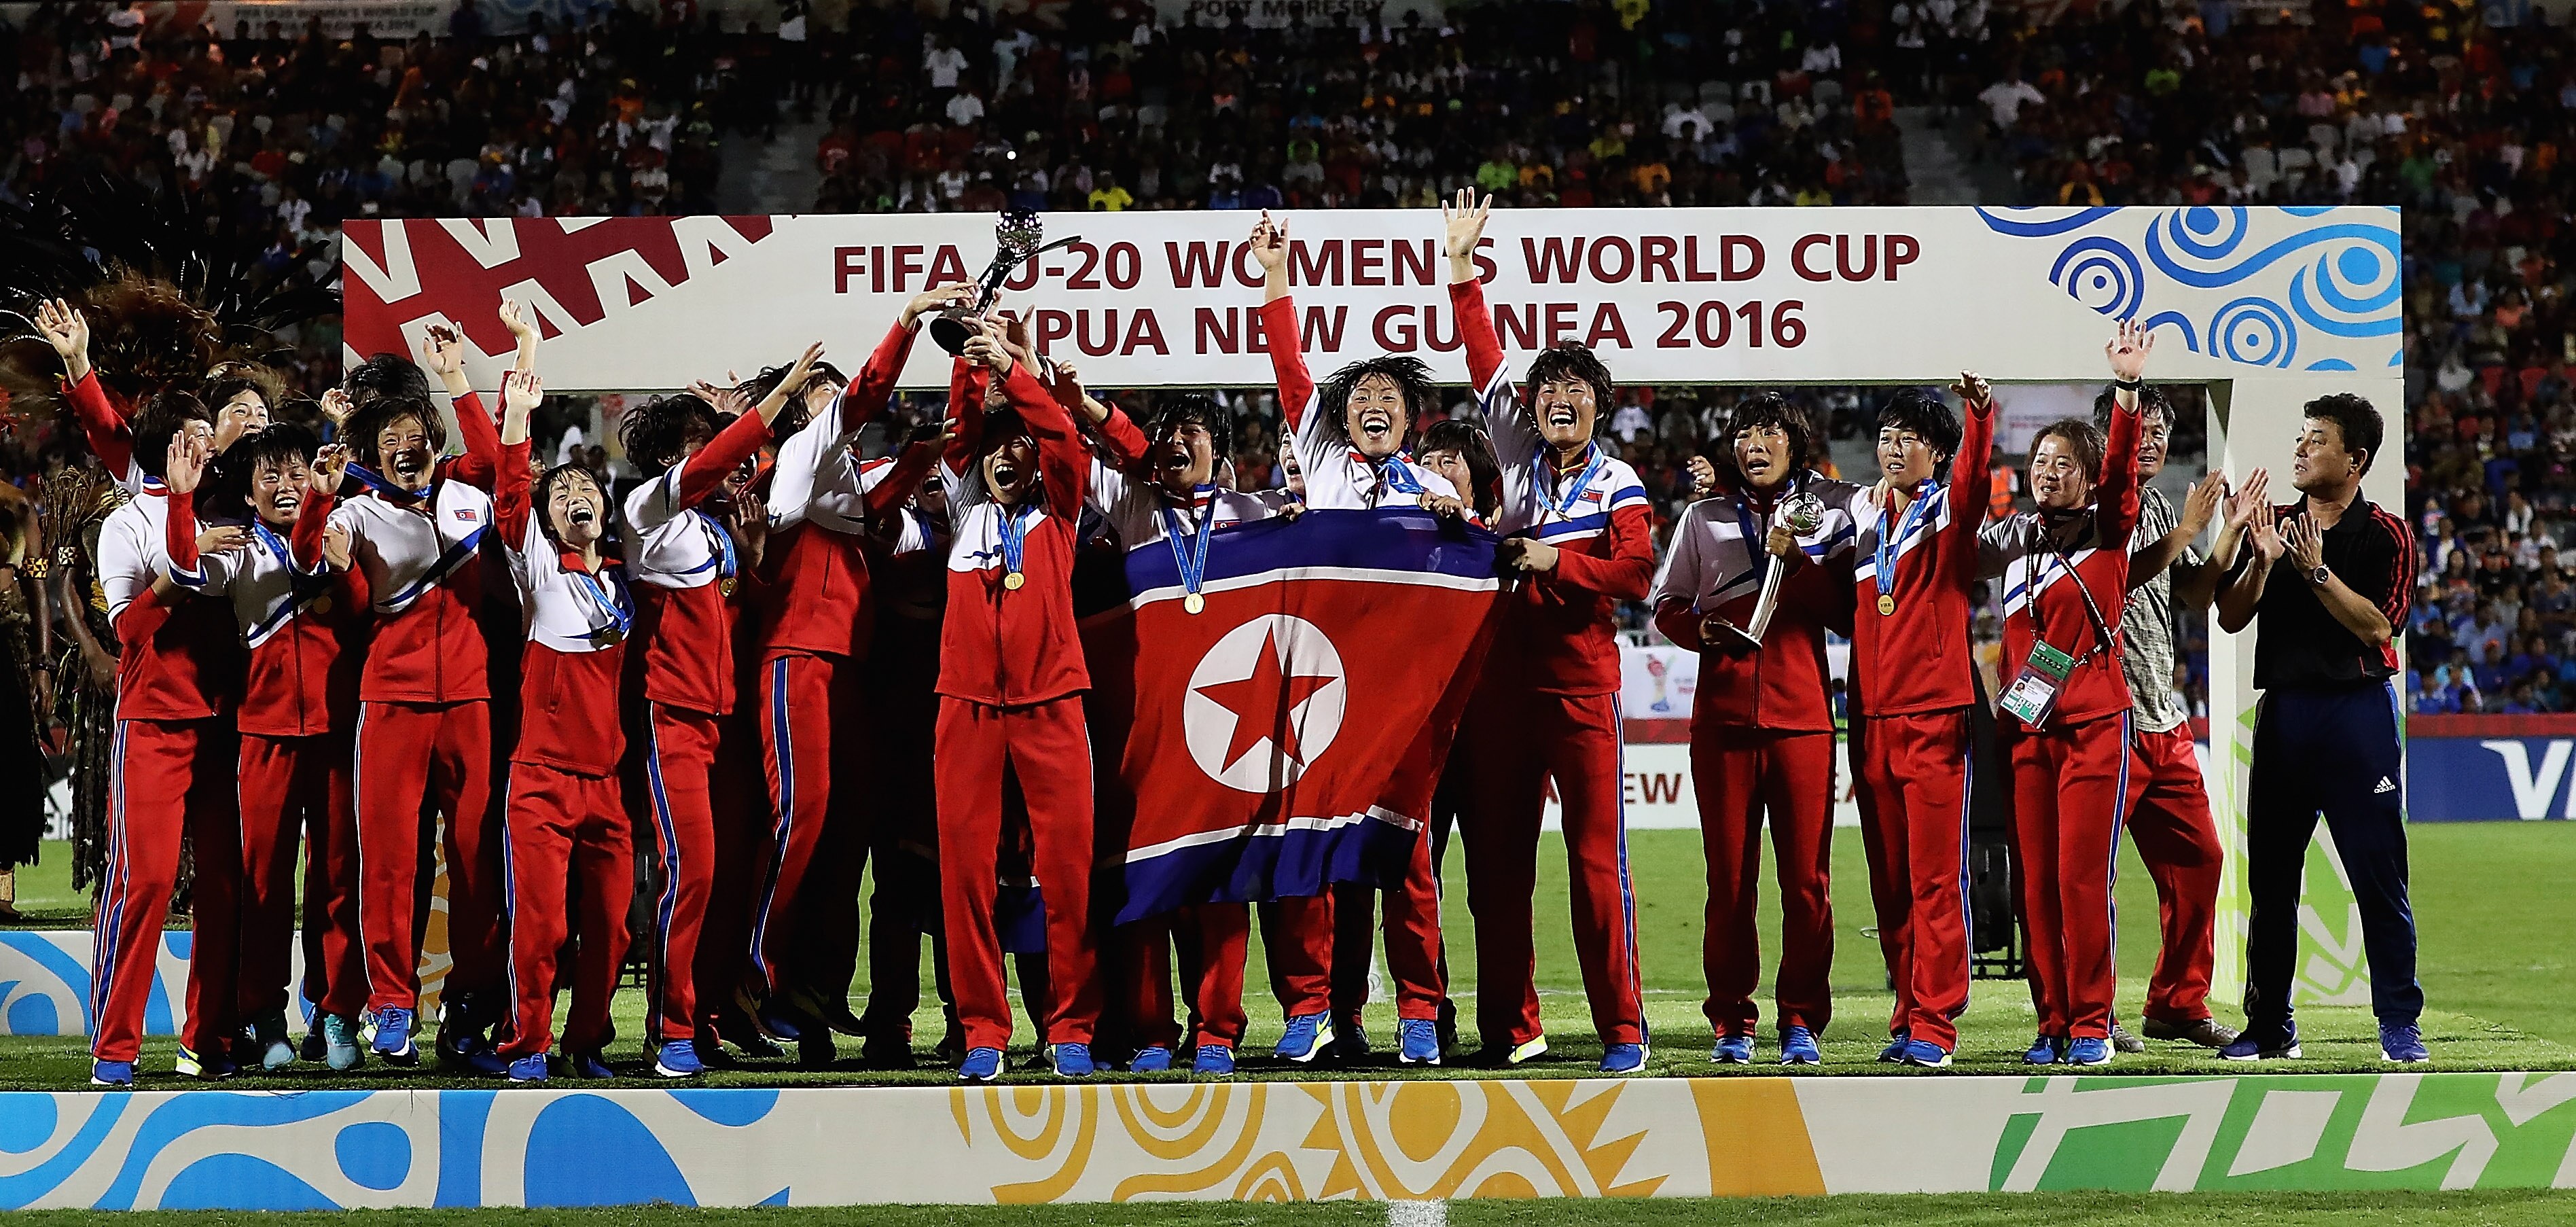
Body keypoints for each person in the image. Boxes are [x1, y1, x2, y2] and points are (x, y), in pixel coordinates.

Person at [1444, 191, 1655, 1073]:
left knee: (1597, 866)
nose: (1560, 398)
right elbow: (1483, 349)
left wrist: (1554, 563)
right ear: (1530, 406)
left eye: (1577, 390)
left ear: (1599, 407)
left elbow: (1636, 573)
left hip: (1579, 688)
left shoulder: (1619, 481)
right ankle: (1512, 1028)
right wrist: (1462, 269)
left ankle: (1624, 1032)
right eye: (1549, 389)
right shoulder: (1518, 456)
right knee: (1497, 871)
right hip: (1501, 692)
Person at [1253, 208, 1462, 1066]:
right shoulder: (1325, 456)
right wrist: (1274, 276)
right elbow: (1291, 367)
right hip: (1321, 692)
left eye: (1390, 398)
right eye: (1361, 398)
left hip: (1403, 702)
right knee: (1310, 857)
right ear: (1339, 420)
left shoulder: (1430, 488)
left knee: (1407, 862)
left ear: (1412, 417)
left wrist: (1463, 522)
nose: (1374, 405)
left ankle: (1418, 1011)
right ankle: (1310, 1012)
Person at [745, 281, 972, 1047]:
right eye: (826, 399)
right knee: (800, 817)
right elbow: (871, 395)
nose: (841, 408)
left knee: (840, 837)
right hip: (798, 657)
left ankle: (813, 990)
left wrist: (920, 457)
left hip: (850, 668)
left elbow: (877, 506)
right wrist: (907, 320)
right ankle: (756, 971)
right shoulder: (804, 453)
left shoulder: (843, 475)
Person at [620, 344, 828, 1077]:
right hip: (671, 719)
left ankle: (705, 1019)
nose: (713, 457)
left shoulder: (713, 529)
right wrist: (771, 406)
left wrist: (755, 558)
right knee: (693, 872)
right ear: (668, 460)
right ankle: (671, 1029)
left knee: (728, 876)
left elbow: (731, 623)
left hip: (723, 723)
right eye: (694, 445)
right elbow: (716, 462)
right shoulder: (645, 510)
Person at [2215, 393, 2425, 1063]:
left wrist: (2316, 572)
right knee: (2271, 883)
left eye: (2316, 440)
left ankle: (2398, 1022)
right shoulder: (2273, 524)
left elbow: (2378, 627)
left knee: (2378, 877)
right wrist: (2265, 561)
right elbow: (2229, 617)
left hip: (2356, 716)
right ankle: (2269, 1025)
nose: (2300, 450)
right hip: (2284, 717)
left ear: (2356, 459)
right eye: (2300, 439)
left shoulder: (2386, 533)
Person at [326, 322, 514, 1069]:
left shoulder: (465, 496)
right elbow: (334, 588)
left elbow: (497, 462)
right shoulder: (355, 511)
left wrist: (458, 376)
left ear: (434, 441)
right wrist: (335, 557)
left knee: (475, 863)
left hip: (470, 701)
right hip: (393, 703)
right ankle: (393, 1005)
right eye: (392, 436)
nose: (407, 445)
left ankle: (467, 1013)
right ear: (374, 451)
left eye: (418, 433)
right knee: (391, 864)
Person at [1650, 393, 1858, 1066]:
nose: (1755, 443)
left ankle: (1802, 1019)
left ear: (1793, 445)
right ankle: (1731, 1021)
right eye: (1744, 433)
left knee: (1807, 884)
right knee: (1730, 885)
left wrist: (1797, 561)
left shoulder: (1825, 517)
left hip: (1802, 723)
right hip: (1723, 723)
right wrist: (1699, 630)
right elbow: (1667, 605)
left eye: (1769, 431)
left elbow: (1846, 614)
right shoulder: (1703, 517)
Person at [162, 424, 370, 1071]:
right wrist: (182, 508)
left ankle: (336, 1016)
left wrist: (349, 570)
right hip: (263, 736)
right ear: (249, 493)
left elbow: (363, 610)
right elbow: (183, 573)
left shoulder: (341, 530)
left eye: (296, 474)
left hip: (337, 733)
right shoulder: (239, 546)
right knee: (266, 886)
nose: (285, 487)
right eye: (270, 477)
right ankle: (264, 1016)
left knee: (340, 881)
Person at [935, 323, 1104, 1082]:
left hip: (1052, 704)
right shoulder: (962, 499)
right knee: (964, 877)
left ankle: (1070, 1026)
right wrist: (970, 355)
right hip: (965, 707)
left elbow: (1065, 442)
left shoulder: (1060, 505)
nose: (1007, 453)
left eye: (1019, 443)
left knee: (1068, 876)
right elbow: (960, 428)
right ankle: (982, 1031)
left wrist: (1016, 365)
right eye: (995, 444)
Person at [1978, 322, 2148, 1067]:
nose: (2049, 472)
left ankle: (2092, 1024)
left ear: (2087, 476)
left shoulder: (2109, 532)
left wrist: (2128, 390)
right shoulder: (2015, 542)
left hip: (2094, 730)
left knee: (2082, 882)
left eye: (2064, 463)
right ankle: (2051, 1022)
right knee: (2036, 889)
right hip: (2029, 737)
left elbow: (2121, 472)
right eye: (2041, 461)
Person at [1837, 374, 1995, 1069]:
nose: (1894, 448)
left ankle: (1937, 1024)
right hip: (1870, 722)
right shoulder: (1866, 515)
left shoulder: (1951, 514)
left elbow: (1976, 483)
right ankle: (1906, 1012)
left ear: (1938, 453)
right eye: (1886, 436)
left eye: (1910, 438)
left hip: (1934, 718)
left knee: (1936, 880)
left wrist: (1981, 414)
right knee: (1891, 884)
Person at [88, 397, 247, 1086]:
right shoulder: (127, 522)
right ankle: (115, 1048)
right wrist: (181, 557)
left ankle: (205, 1042)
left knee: (221, 887)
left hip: (225, 723)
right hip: (153, 723)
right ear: (166, 446)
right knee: (145, 882)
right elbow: (126, 632)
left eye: (213, 436)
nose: (209, 445)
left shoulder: (222, 516)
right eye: (198, 435)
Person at [487, 369, 637, 1082]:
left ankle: (584, 1044)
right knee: (543, 927)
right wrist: (517, 414)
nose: (575, 499)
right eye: (562, 496)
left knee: (612, 930)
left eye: (585, 492)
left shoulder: (619, 583)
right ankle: (529, 1045)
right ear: (547, 522)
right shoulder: (541, 571)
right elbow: (513, 496)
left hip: (606, 785)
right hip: (541, 782)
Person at [2098, 385, 2247, 1054]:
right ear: (2112, 438)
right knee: (2091, 875)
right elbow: (2116, 579)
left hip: (2165, 718)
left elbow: (2191, 593)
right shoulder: (2097, 505)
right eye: (2143, 429)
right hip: (2106, 720)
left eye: (2163, 432)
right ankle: (2088, 1011)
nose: (2154, 441)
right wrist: (2188, 530)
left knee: (2201, 859)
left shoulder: (2158, 506)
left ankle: (2178, 1004)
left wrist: (2229, 535)